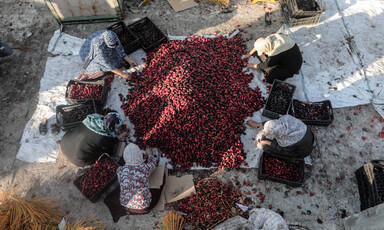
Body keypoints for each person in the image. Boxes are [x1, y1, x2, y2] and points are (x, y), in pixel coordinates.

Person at [59, 112, 129, 167]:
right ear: (113, 127)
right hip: (78, 159)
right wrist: (122, 135)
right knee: (105, 152)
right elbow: (112, 144)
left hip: (64, 143)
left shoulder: (91, 120)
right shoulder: (104, 138)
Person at [117, 143, 161, 214]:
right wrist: (150, 155)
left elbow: (121, 181)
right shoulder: (144, 168)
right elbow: (153, 164)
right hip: (143, 208)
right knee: (160, 184)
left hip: (125, 206)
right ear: (139, 155)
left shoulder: (120, 170)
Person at [246, 115, 314, 158]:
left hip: (302, 151)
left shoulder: (287, 141)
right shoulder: (287, 120)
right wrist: (257, 124)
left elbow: (282, 150)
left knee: (266, 147)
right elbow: (275, 123)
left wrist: (267, 142)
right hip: (307, 136)